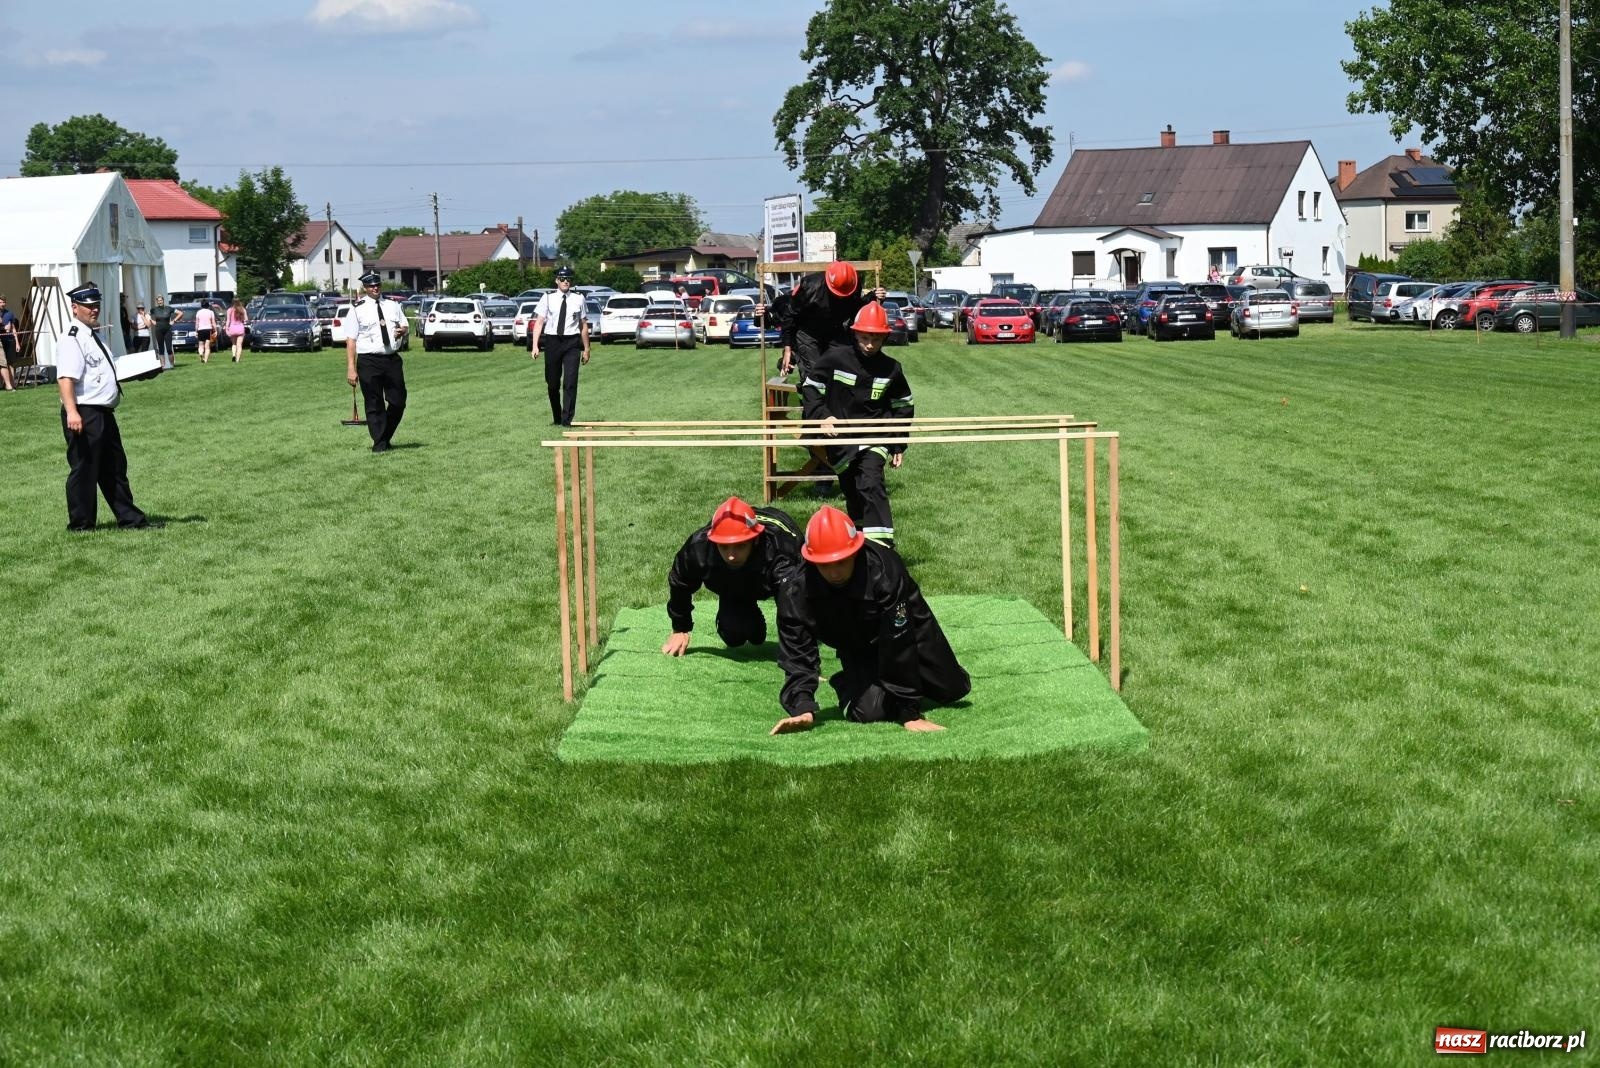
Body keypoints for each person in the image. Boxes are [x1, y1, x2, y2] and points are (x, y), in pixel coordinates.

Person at [770, 506, 969, 735]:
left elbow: (900, 644)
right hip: (854, 643)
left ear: (855, 551)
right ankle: (848, 681)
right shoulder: (794, 590)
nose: (834, 572)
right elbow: (797, 653)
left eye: (841, 562)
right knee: (870, 711)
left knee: (952, 689)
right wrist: (802, 707)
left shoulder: (886, 572)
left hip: (908, 628)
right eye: (825, 564)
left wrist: (909, 713)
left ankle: (896, 685)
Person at [799, 301, 914, 547]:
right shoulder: (835, 358)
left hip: (876, 435)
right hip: (842, 440)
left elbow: (903, 405)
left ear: (885, 338)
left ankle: (882, 548)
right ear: (855, 333)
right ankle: (860, 543)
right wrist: (822, 416)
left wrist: (898, 443)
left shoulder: (892, 368)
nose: (870, 344)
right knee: (853, 490)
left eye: (876, 339)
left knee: (871, 481)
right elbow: (810, 388)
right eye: (864, 338)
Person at [56, 281, 150, 531]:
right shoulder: (72, 338)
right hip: (85, 412)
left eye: (96, 305)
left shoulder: (94, 335)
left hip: (103, 413)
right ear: (75, 308)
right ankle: (81, 524)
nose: (94, 310)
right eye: (88, 306)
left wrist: (140, 372)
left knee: (114, 468)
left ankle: (130, 519)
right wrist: (73, 412)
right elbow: (65, 378)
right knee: (85, 469)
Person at [662, 497, 801, 656]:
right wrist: (679, 628)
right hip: (731, 583)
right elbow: (680, 582)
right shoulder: (698, 549)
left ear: (754, 540)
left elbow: (794, 605)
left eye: (740, 546)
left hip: (773, 565)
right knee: (734, 635)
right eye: (724, 547)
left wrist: (799, 660)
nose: (731, 556)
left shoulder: (782, 553)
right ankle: (747, 611)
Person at [765, 261, 886, 380]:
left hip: (834, 330)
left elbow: (856, 308)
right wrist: (788, 348)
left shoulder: (853, 286)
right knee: (814, 373)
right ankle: (811, 393)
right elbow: (789, 315)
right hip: (807, 332)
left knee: (846, 365)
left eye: (844, 294)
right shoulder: (810, 287)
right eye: (838, 293)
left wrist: (872, 297)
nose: (840, 297)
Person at [342, 271, 410, 453]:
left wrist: (402, 331)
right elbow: (351, 340)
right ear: (365, 288)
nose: (375, 288)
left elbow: (404, 325)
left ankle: (384, 435)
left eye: (377, 285)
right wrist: (351, 367)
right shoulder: (357, 308)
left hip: (391, 359)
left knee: (398, 401)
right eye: (371, 286)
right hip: (368, 360)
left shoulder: (393, 305)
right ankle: (379, 444)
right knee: (374, 403)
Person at [529, 266, 590, 426]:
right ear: (557, 280)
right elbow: (539, 322)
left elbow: (583, 325)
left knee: (570, 382)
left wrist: (587, 348)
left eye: (569, 279)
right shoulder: (547, 298)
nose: (566, 281)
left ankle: (566, 419)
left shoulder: (579, 298)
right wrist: (535, 345)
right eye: (563, 279)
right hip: (553, 341)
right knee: (553, 383)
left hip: (572, 342)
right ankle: (557, 415)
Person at [148, 295, 181, 370]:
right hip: (158, 330)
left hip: (167, 330)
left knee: (169, 348)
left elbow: (180, 313)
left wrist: (174, 321)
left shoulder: (169, 308)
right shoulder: (154, 309)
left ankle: (172, 365)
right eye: (158, 301)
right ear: (157, 302)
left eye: (161, 300)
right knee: (161, 348)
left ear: (163, 300)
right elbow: (147, 314)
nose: (160, 302)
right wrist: (152, 321)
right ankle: (162, 366)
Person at [0, 295, 18, 391]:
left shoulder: (9, 313)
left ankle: (12, 384)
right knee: (3, 363)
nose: (2, 304)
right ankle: (6, 385)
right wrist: (3, 327)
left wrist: (17, 343)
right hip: (1, 341)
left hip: (9, 340)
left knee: (10, 363)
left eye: (3, 302)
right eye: (0, 302)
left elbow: (13, 328)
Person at [224, 298, 248, 363]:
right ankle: (237, 360)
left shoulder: (229, 310)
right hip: (240, 328)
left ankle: (234, 355)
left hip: (232, 328)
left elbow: (228, 320)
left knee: (234, 344)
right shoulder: (242, 309)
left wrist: (227, 329)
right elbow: (246, 319)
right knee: (239, 345)